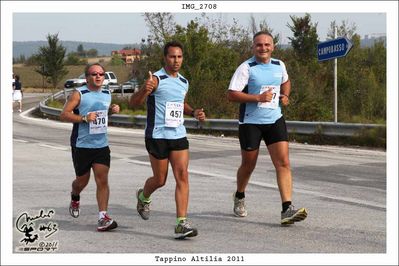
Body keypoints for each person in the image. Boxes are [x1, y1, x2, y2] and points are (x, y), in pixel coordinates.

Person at [227, 31, 307, 225]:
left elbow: (285, 81)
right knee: (248, 165)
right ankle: (239, 195)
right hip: (251, 123)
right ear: (253, 47)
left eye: (266, 45)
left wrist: (286, 96)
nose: (263, 48)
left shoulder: (279, 65)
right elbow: (232, 94)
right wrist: (257, 98)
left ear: (273, 46)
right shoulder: (246, 68)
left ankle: (287, 208)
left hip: (275, 120)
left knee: (283, 163)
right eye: (259, 45)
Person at [129, 41, 206, 239]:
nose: (176, 60)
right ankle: (143, 196)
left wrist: (193, 111)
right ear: (165, 58)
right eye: (172, 56)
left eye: (179, 57)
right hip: (157, 136)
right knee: (160, 180)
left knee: (182, 176)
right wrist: (145, 90)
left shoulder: (183, 81)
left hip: (178, 134)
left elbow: (180, 103)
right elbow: (134, 103)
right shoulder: (156, 79)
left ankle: (181, 223)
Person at [60, 63, 120, 232]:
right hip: (82, 144)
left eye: (101, 73)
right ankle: (75, 195)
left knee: (102, 180)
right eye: (94, 74)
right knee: (81, 181)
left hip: (101, 144)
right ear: (87, 77)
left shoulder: (107, 93)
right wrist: (84, 118)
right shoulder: (79, 94)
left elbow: (101, 116)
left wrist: (112, 112)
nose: (98, 76)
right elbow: (64, 114)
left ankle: (103, 217)